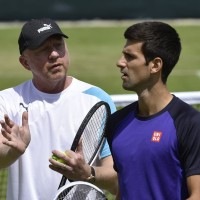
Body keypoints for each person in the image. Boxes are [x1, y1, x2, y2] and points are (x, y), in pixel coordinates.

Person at [0, 18, 117, 200]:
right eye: (43, 49)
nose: (54, 54)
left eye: (58, 45)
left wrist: (88, 172)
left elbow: (119, 180)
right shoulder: (6, 101)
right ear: (25, 62)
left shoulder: (97, 99)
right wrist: (14, 151)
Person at [106, 21, 200, 200]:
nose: (120, 63)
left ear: (155, 65)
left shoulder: (191, 124)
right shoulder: (116, 123)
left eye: (130, 56)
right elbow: (125, 189)